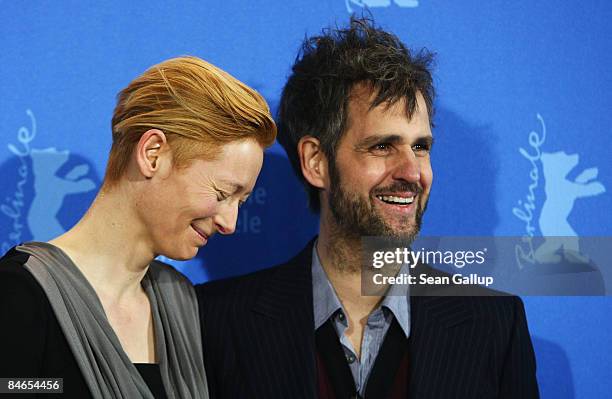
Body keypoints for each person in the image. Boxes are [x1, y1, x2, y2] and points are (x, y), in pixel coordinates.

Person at [197, 18, 539, 398]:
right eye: (382, 147)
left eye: (421, 147)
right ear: (316, 162)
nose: (412, 172)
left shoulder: (494, 325)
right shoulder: (216, 321)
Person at [0, 56, 276, 398]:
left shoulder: (180, 301)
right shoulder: (20, 295)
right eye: (222, 193)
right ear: (153, 154)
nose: (230, 223)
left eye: (241, 202)